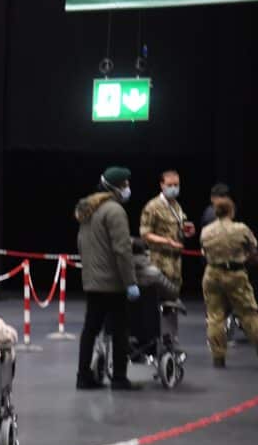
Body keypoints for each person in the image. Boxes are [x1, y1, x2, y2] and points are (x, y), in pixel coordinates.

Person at [75, 167, 141, 391]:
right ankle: (120, 378)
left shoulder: (88, 209)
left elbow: (82, 244)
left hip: (92, 280)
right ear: (116, 187)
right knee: (120, 330)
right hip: (112, 283)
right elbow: (122, 250)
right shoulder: (114, 211)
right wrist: (130, 281)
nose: (127, 188)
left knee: (90, 329)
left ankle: (83, 377)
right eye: (125, 184)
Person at [200, 196, 258, 367]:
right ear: (231, 211)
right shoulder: (241, 229)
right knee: (249, 313)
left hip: (212, 274)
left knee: (214, 317)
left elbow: (204, 250)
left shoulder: (206, 231)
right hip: (235, 274)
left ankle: (218, 357)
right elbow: (253, 251)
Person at [140, 170, 195, 294]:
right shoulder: (153, 206)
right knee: (158, 299)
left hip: (175, 262)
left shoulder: (177, 206)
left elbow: (179, 227)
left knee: (173, 300)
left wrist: (187, 230)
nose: (174, 188)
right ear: (162, 185)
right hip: (159, 261)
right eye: (170, 185)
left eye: (176, 185)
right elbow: (145, 234)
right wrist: (167, 241)